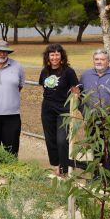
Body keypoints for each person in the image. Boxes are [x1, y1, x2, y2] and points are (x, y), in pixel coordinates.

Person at [39, 43, 79, 175]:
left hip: (63, 109)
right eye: (52, 54)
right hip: (47, 109)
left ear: (61, 56)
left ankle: (65, 168)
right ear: (48, 57)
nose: (55, 57)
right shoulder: (45, 71)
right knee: (50, 138)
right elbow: (44, 89)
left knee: (62, 140)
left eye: (57, 54)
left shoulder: (68, 71)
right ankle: (56, 166)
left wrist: (75, 108)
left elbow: (75, 91)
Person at [80, 49, 110, 173]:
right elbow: (79, 96)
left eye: (102, 59)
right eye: (96, 59)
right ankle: (96, 175)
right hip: (92, 119)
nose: (99, 62)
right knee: (94, 147)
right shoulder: (85, 75)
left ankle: (109, 177)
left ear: (108, 61)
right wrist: (85, 112)